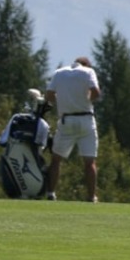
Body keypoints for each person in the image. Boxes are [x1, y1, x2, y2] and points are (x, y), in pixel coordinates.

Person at [45, 56, 103, 202]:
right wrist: (85, 100)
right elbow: (96, 92)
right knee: (89, 162)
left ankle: (51, 193)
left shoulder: (59, 73)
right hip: (86, 119)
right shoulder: (88, 72)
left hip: (66, 119)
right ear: (86, 65)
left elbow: (49, 95)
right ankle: (91, 197)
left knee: (56, 159)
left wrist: (63, 102)